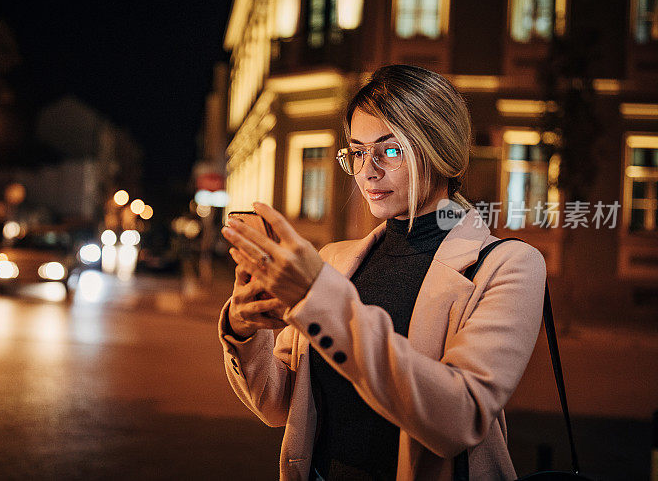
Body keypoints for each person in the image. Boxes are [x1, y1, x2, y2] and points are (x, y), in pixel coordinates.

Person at [218, 64, 547, 481]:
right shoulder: (335, 261)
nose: (367, 170)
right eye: (356, 151)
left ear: (440, 149)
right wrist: (244, 330)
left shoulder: (507, 265)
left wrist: (317, 297)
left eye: (390, 150)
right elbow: (277, 406)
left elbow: (460, 418)